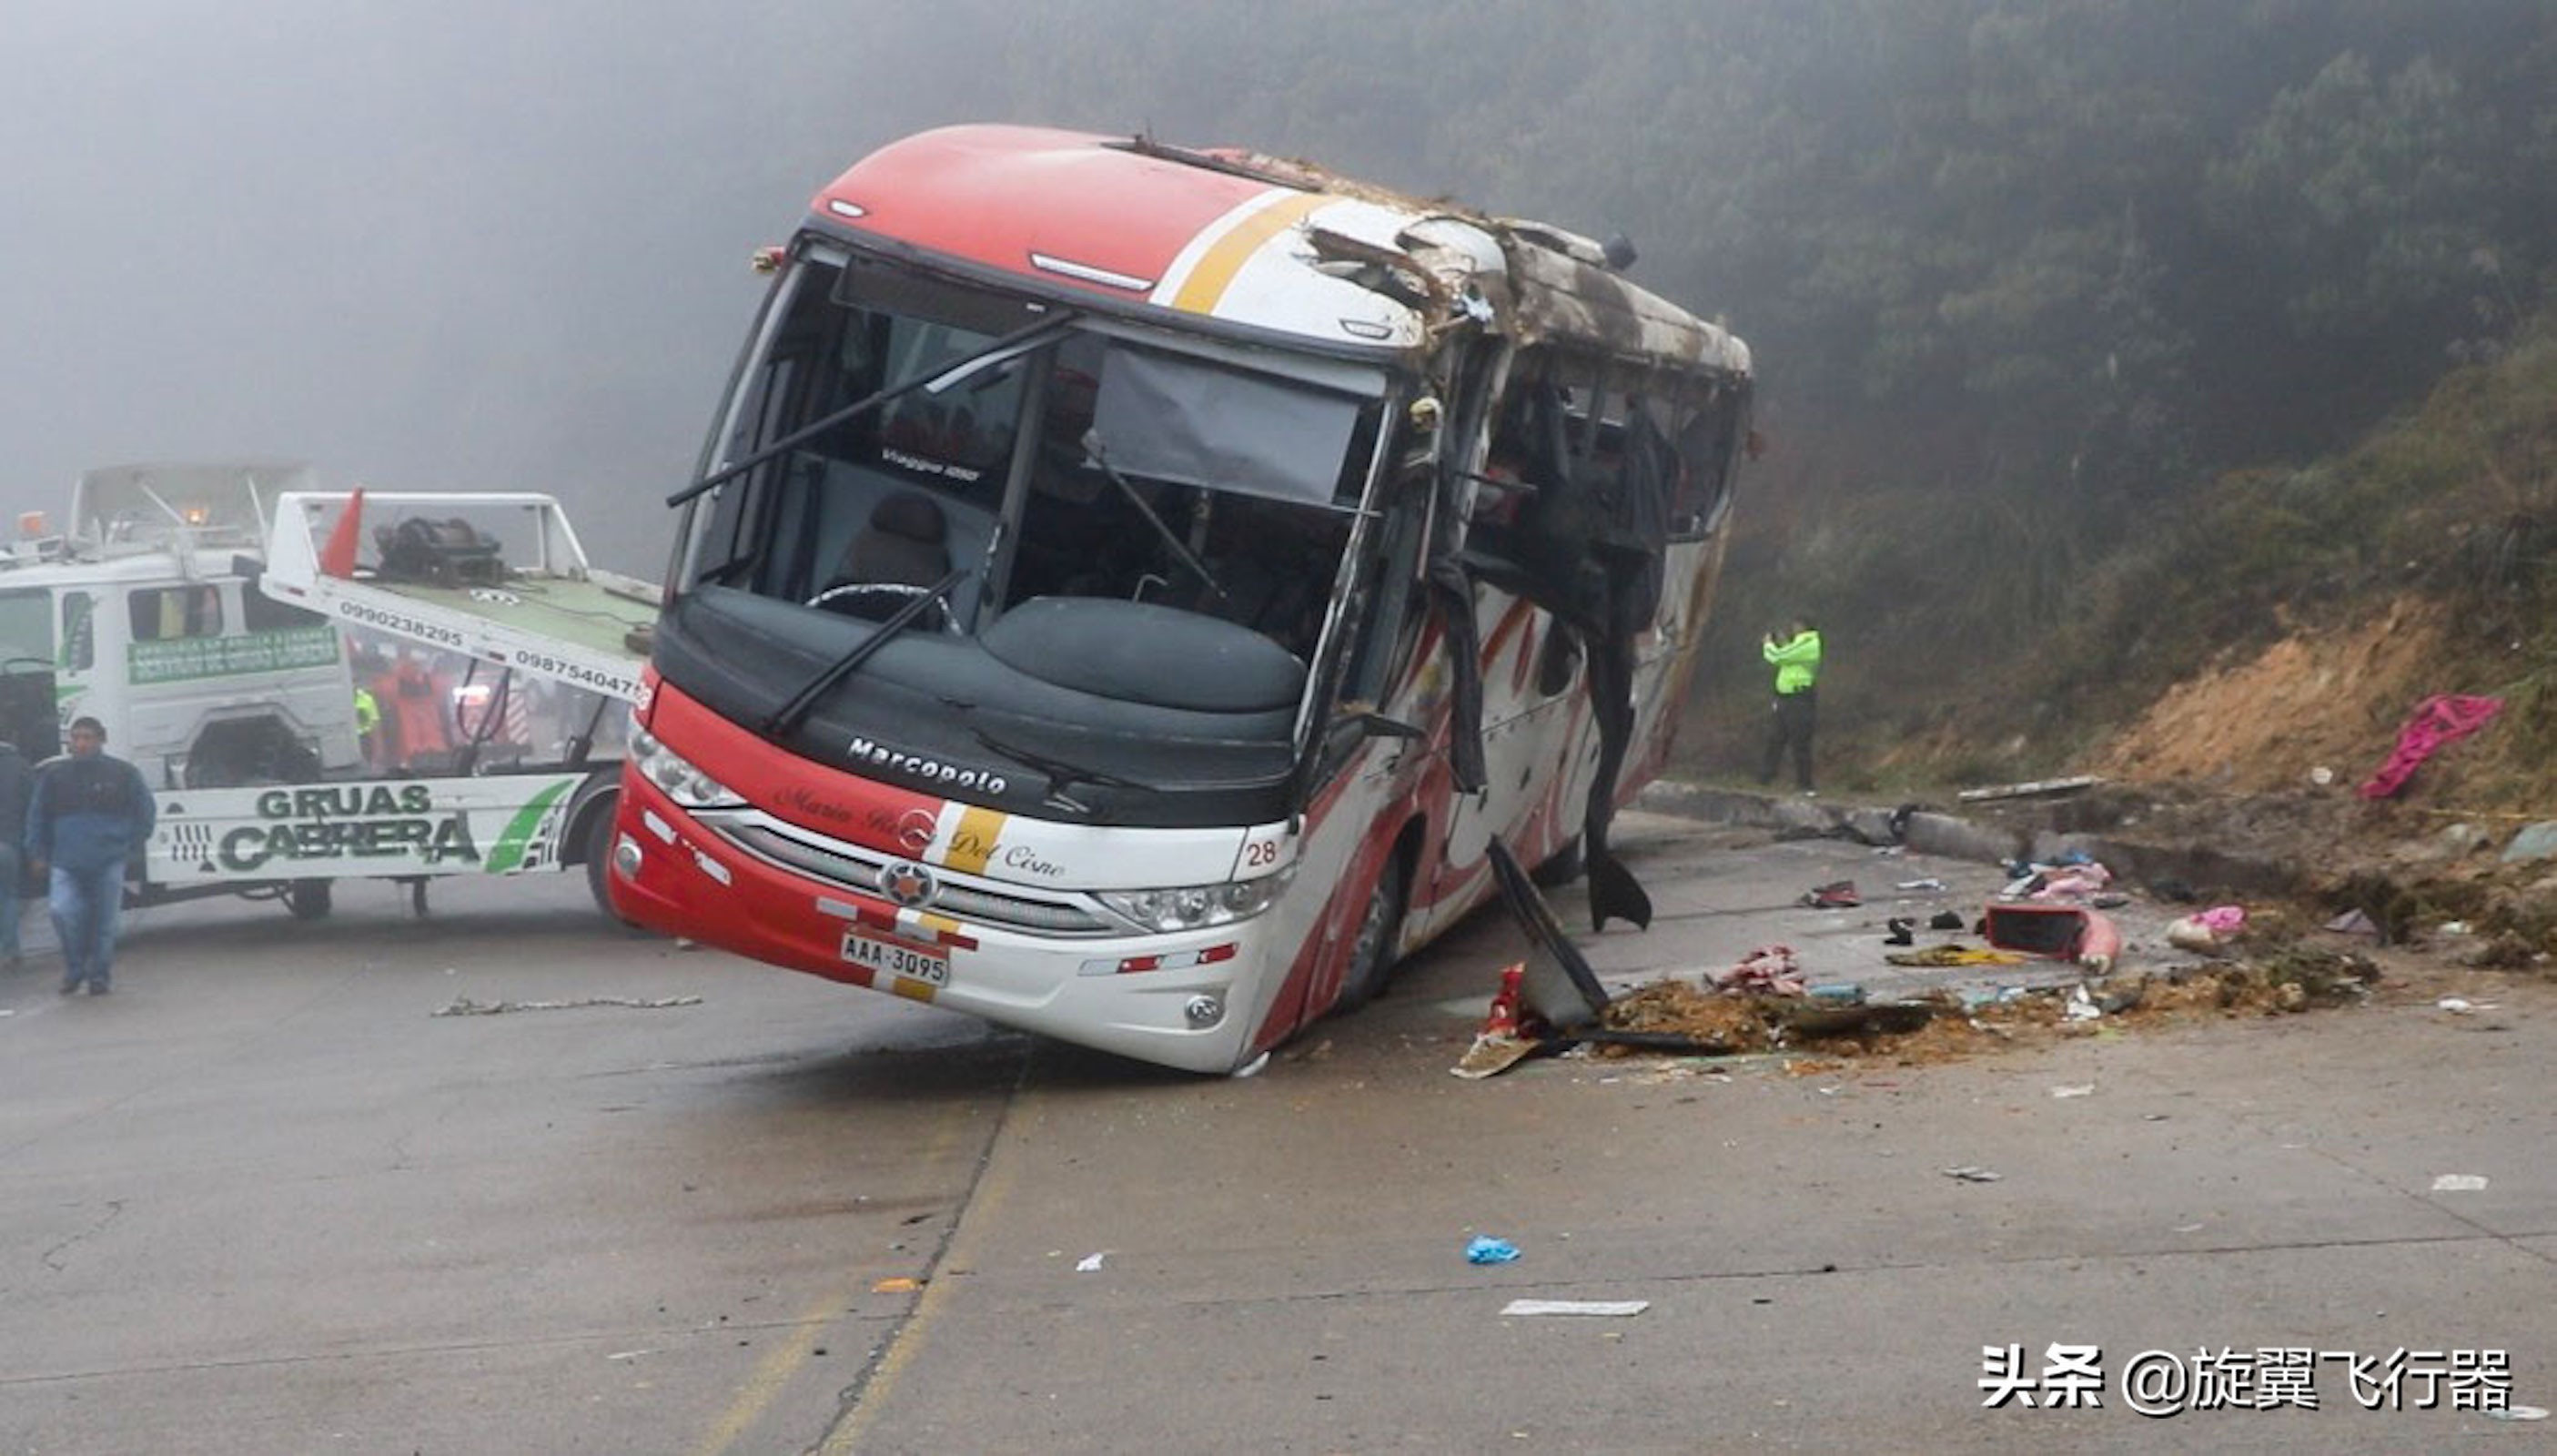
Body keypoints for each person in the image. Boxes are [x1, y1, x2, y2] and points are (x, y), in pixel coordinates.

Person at [25, 716, 156, 995]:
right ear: (69, 741)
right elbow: (37, 817)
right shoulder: (54, 776)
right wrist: (37, 852)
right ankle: (74, 968)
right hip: (65, 861)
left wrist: (129, 845)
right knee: (61, 912)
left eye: (87, 737)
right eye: (76, 738)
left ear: (101, 740)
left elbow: (145, 813)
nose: (81, 743)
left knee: (105, 922)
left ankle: (99, 975)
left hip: (108, 860)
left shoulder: (123, 773)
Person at [1759, 617, 1823, 794]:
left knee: (1800, 741)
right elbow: (1790, 657)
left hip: (1799, 698)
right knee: (1775, 738)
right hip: (1784, 698)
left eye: (1796, 625)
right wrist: (1784, 643)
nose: (1793, 628)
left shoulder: (1810, 642)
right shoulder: (1799, 644)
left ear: (1804, 627)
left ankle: (1805, 785)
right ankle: (1766, 777)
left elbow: (1778, 658)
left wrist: (1768, 644)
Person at [0, 733, 28, 968]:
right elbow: (32, 804)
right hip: (8, 842)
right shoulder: (18, 765)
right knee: (8, 897)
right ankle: (9, 950)